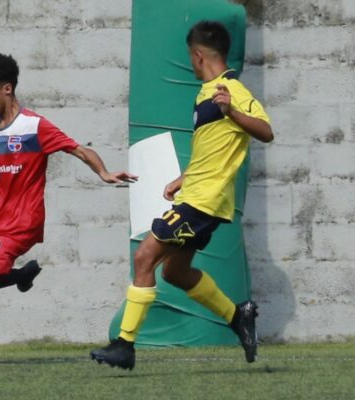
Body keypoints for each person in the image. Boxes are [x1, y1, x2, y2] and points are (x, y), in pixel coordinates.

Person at [0, 53, 138, 366]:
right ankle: (19, 277)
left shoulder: (35, 126)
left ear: (7, 88)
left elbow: (79, 150)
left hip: (21, 222)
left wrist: (104, 173)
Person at [90, 20, 274, 371]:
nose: (189, 64)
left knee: (145, 257)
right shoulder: (207, 93)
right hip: (196, 195)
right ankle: (237, 316)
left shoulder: (231, 90)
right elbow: (215, 150)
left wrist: (232, 110)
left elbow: (266, 132)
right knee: (175, 272)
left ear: (198, 54)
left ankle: (124, 344)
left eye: (190, 58)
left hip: (203, 202)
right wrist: (182, 177)